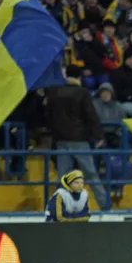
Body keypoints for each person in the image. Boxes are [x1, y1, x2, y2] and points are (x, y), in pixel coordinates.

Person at [45, 64, 108, 210]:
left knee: (63, 177)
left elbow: (47, 115)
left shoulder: (55, 92)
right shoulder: (82, 93)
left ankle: (58, 208)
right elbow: (90, 115)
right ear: (79, 77)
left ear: (66, 75)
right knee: (91, 174)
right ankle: (105, 206)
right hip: (79, 140)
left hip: (61, 140)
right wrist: (98, 135)